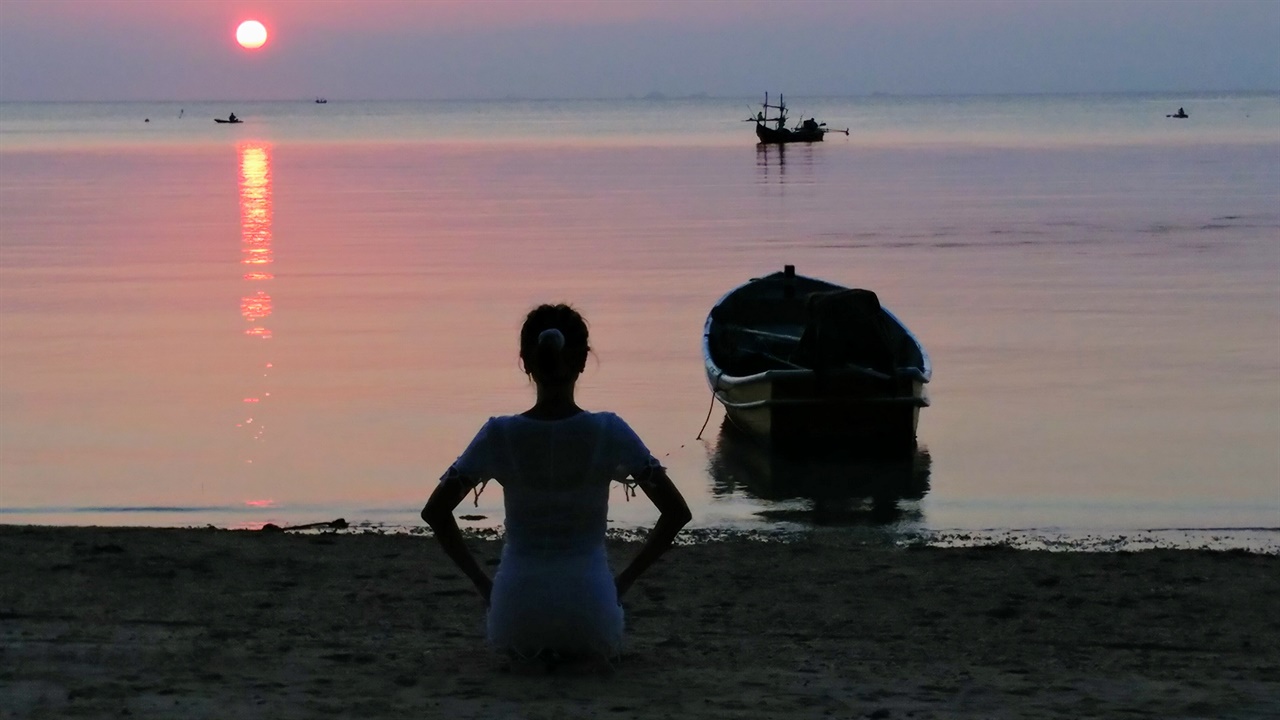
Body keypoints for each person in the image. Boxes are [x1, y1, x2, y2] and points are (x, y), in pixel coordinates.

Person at [422, 303, 691, 665]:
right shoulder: (609, 430)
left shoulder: (499, 434)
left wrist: (485, 586)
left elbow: (436, 511)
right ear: (582, 361)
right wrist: (621, 583)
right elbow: (676, 512)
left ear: (526, 361)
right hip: (591, 614)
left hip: (515, 617)